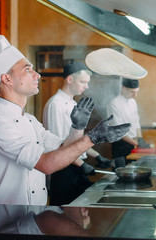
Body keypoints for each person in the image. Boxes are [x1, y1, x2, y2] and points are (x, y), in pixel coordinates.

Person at [0, 34, 130, 205]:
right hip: (6, 220)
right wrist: (93, 138)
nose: (37, 75)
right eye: (27, 69)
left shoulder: (30, 120)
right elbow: (45, 164)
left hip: (34, 217)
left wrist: (77, 127)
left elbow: (63, 148)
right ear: (7, 79)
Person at [42, 62, 113, 205]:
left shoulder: (74, 104)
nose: (86, 87)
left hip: (76, 165)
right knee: (63, 216)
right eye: (83, 82)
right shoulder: (56, 104)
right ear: (69, 79)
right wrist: (82, 165)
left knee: (79, 213)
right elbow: (59, 146)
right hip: (64, 169)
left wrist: (98, 156)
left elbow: (78, 141)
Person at [106, 78, 150, 160]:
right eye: (132, 92)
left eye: (137, 92)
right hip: (121, 144)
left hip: (133, 142)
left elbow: (137, 122)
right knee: (121, 170)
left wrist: (140, 139)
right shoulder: (114, 103)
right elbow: (119, 131)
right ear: (124, 88)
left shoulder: (133, 102)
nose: (135, 95)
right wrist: (136, 143)